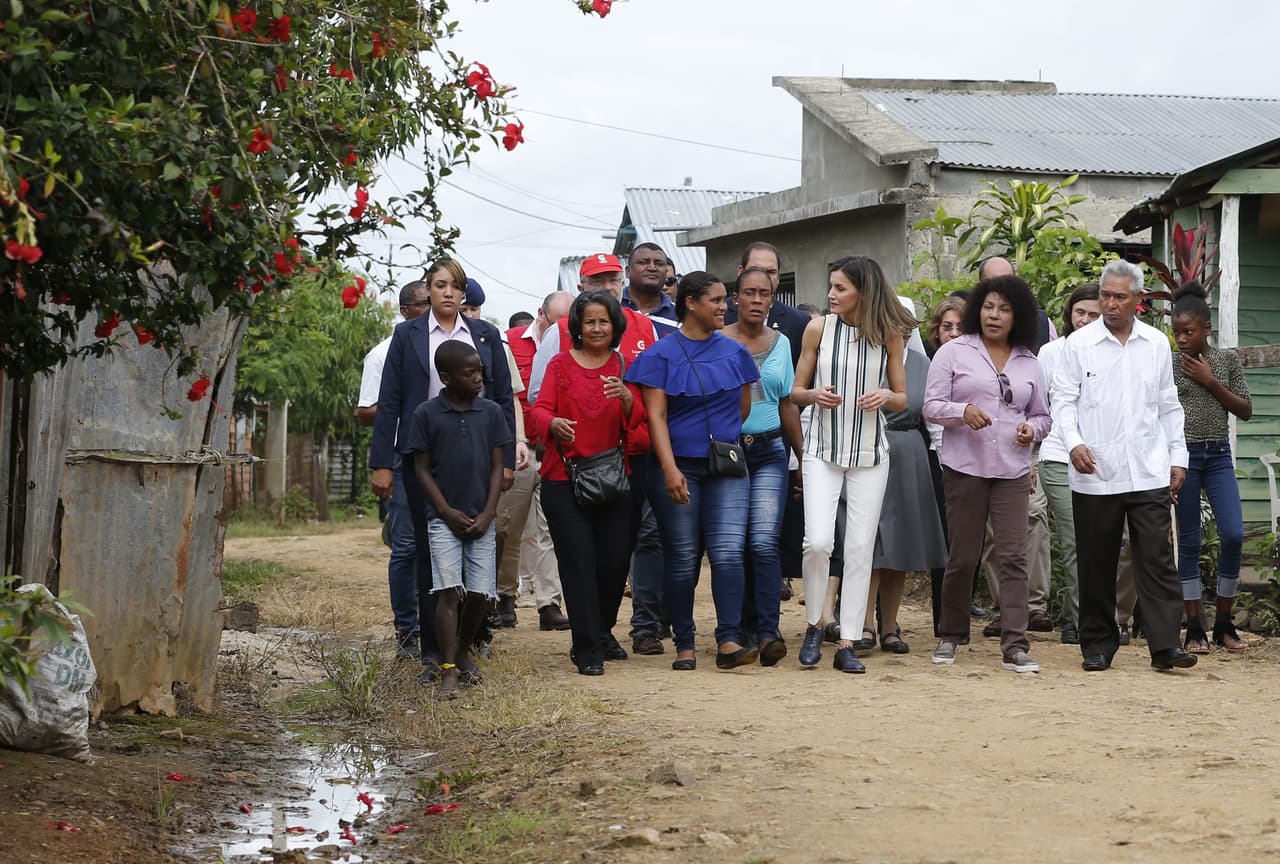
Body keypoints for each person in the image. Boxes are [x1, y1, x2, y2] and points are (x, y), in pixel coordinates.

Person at [369, 257, 518, 682]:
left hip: (476, 455)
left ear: (464, 291)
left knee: (478, 545)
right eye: (439, 285)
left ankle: (469, 645)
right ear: (429, 290)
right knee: (427, 552)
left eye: (455, 285)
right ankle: (433, 651)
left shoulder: (485, 334)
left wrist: (508, 459)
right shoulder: (408, 335)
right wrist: (382, 463)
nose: (448, 292)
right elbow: (390, 400)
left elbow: (503, 399)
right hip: (421, 454)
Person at [1051, 259, 1195, 673]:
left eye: (1119, 297)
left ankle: (1165, 646)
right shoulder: (1078, 345)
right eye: (1105, 296)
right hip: (1096, 471)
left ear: (1139, 299)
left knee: (1157, 558)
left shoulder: (1156, 345)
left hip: (1148, 468)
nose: (1110, 304)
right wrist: (1074, 443)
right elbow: (1062, 401)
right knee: (1096, 561)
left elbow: (1168, 406)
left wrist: (1178, 457)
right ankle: (1097, 645)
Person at [527, 253, 667, 656]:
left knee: (614, 561)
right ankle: (586, 646)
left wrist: (627, 399)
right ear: (577, 325)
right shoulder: (558, 362)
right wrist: (552, 422)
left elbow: (643, 418)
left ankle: (602, 632)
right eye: (589, 321)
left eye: (603, 321)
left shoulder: (627, 361)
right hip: (564, 476)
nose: (596, 328)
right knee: (578, 562)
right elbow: (537, 408)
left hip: (617, 476)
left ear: (614, 325)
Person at [627, 271, 760, 672]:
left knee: (729, 553)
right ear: (690, 303)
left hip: (726, 466)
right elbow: (656, 416)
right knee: (683, 556)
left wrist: (720, 439)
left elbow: (742, 408)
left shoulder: (735, 352)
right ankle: (684, 643)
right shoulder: (660, 355)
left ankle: (729, 639)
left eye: (724, 299)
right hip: (678, 466)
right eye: (716, 300)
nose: (725, 306)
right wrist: (669, 468)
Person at [791, 255, 915, 674]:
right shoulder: (818, 328)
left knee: (860, 548)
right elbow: (795, 391)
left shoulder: (890, 334)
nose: (831, 294)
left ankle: (847, 640)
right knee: (818, 542)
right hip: (822, 449)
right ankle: (814, 624)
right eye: (831, 286)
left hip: (870, 455)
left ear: (864, 291)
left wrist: (886, 396)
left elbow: (902, 397)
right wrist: (813, 396)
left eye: (840, 287)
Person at [925, 275, 1051, 674]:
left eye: (1005, 309)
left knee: (1014, 556)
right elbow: (931, 406)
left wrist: (1033, 431)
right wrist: (962, 412)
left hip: (1013, 469)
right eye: (988, 307)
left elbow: (1043, 416)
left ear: (1019, 316)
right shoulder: (953, 352)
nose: (994, 315)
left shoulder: (1030, 361)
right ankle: (951, 634)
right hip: (965, 467)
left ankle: (1015, 644)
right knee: (964, 556)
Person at [406, 341, 511, 698]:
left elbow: (497, 467)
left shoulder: (491, 412)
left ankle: (463, 650)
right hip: (443, 519)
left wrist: (489, 512)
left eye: (480, 371)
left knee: (480, 593)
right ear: (446, 377)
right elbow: (421, 470)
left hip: (482, 517)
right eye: (470, 373)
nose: (478, 378)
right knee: (448, 591)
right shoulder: (426, 414)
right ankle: (449, 668)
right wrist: (446, 511)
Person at [723, 266, 804, 666]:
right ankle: (737, 629)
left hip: (771, 450)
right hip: (729, 453)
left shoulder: (782, 343)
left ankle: (770, 632)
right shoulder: (718, 341)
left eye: (764, 293)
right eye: (749, 292)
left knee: (763, 541)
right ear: (735, 298)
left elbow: (786, 402)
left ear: (772, 300)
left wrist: (802, 458)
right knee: (733, 543)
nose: (757, 299)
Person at [1171, 281, 1252, 653]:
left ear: (1206, 328)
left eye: (1188, 332)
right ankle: (1194, 629)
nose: (1181, 339)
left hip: (1218, 456)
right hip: (1184, 458)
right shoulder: (1170, 365)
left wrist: (1210, 381)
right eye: (1177, 332)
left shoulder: (1225, 361)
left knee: (1233, 534)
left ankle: (1223, 624)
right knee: (1189, 541)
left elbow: (1245, 410)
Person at [354, 280, 431, 660]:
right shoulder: (383, 354)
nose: (432, 307)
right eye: (424, 302)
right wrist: (403, 409)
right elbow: (366, 410)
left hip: (446, 458)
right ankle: (407, 631)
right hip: (404, 457)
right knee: (406, 546)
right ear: (405, 311)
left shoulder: (447, 344)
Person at [867, 329, 948, 653]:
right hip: (869, 448)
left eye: (903, 330)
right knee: (869, 541)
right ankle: (863, 624)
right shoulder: (865, 357)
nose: (897, 335)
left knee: (898, 545)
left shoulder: (921, 363)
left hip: (908, 452)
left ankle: (889, 626)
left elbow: (931, 414)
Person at [498, 292, 574, 633]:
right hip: (520, 450)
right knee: (507, 528)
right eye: (555, 321)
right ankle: (504, 596)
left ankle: (549, 604)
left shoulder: (577, 344)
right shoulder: (510, 342)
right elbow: (508, 396)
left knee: (547, 531)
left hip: (558, 451)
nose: (561, 329)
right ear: (541, 314)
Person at [1036, 283, 1101, 645]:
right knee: (1075, 537)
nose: (1085, 320)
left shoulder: (1108, 351)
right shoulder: (1051, 352)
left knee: (1100, 538)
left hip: (1100, 459)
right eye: (1080, 312)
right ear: (1069, 313)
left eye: (1093, 314)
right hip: (1058, 455)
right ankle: (1079, 619)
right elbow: (1039, 407)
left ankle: (1077, 612)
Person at [623, 242, 680, 336]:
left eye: (659, 264)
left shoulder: (681, 317)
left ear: (666, 273)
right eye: (643, 262)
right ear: (628, 271)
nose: (652, 268)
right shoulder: (611, 308)